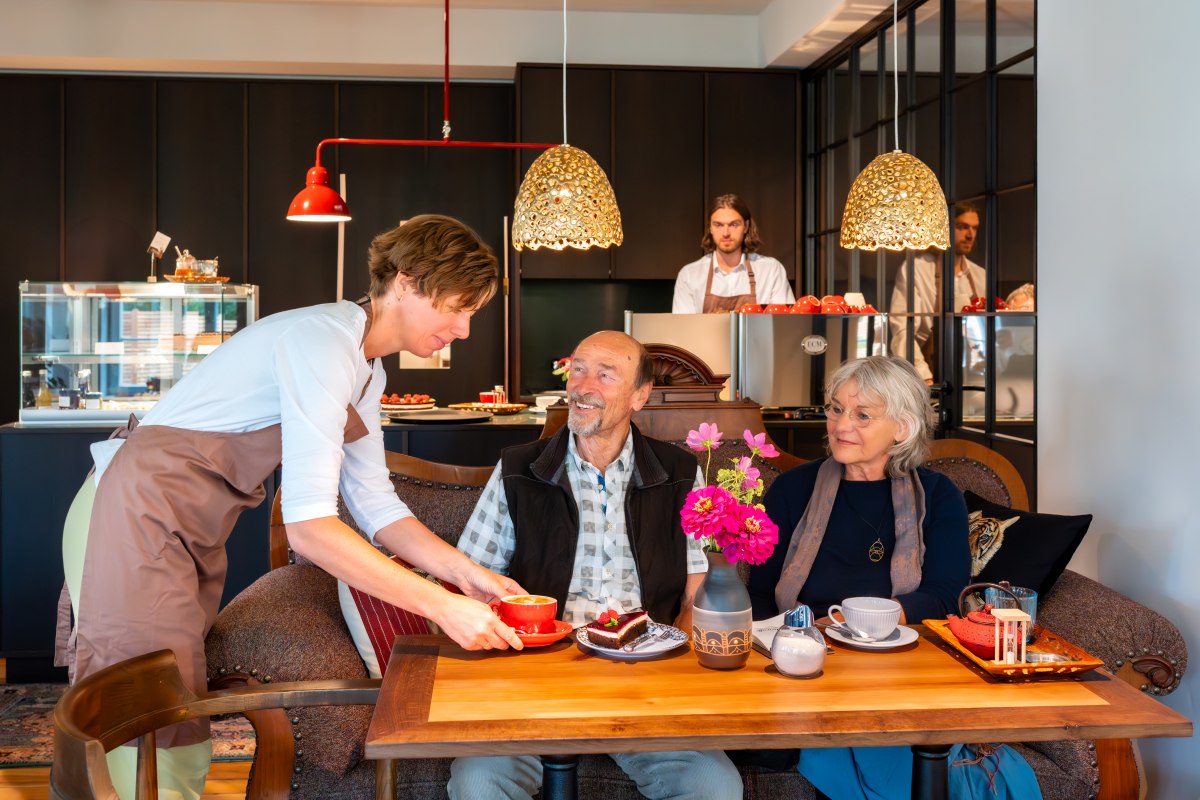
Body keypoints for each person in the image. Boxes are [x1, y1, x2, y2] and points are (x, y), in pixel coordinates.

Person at [59, 214, 528, 799]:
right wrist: (444, 607)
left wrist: (471, 578)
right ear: (406, 283)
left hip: (185, 530)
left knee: (176, 717)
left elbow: (378, 506)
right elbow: (309, 530)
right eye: (456, 307)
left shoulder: (366, 370)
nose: (462, 328)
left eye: (471, 314)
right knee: (151, 726)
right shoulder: (322, 343)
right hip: (131, 514)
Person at [448, 330, 744, 800]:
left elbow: (695, 590)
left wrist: (678, 678)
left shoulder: (681, 473)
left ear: (640, 395)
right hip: (537, 675)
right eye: (579, 369)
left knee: (714, 786)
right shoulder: (517, 470)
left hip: (647, 678)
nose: (584, 386)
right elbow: (467, 583)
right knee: (478, 782)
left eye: (606, 375)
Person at [745, 356, 1040, 799]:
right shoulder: (793, 490)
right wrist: (782, 656)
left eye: (863, 414)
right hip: (806, 669)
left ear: (902, 428)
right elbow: (762, 593)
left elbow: (945, 596)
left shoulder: (938, 497)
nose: (841, 424)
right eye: (835, 408)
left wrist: (864, 625)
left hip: (901, 671)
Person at [888, 203, 987, 382]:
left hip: (974, 372)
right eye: (962, 227)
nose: (970, 235)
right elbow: (902, 329)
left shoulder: (980, 275)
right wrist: (923, 376)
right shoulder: (916, 269)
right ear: (945, 227)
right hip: (928, 371)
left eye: (974, 228)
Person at [672, 194, 794, 313]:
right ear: (710, 228)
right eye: (718, 225)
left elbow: (784, 324)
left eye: (734, 224)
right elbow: (684, 330)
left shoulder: (771, 270)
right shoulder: (689, 275)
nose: (726, 233)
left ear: (746, 226)